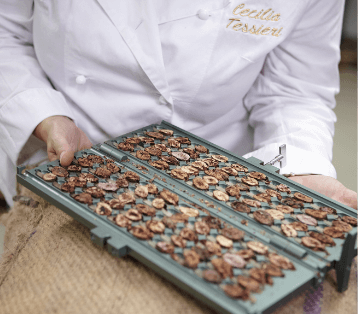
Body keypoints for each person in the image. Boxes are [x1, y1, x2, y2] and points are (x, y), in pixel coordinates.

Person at [0, 0, 356, 209]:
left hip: (223, 171)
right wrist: (44, 116)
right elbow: (6, 34)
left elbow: (294, 87)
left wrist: (300, 165)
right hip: (76, 154)